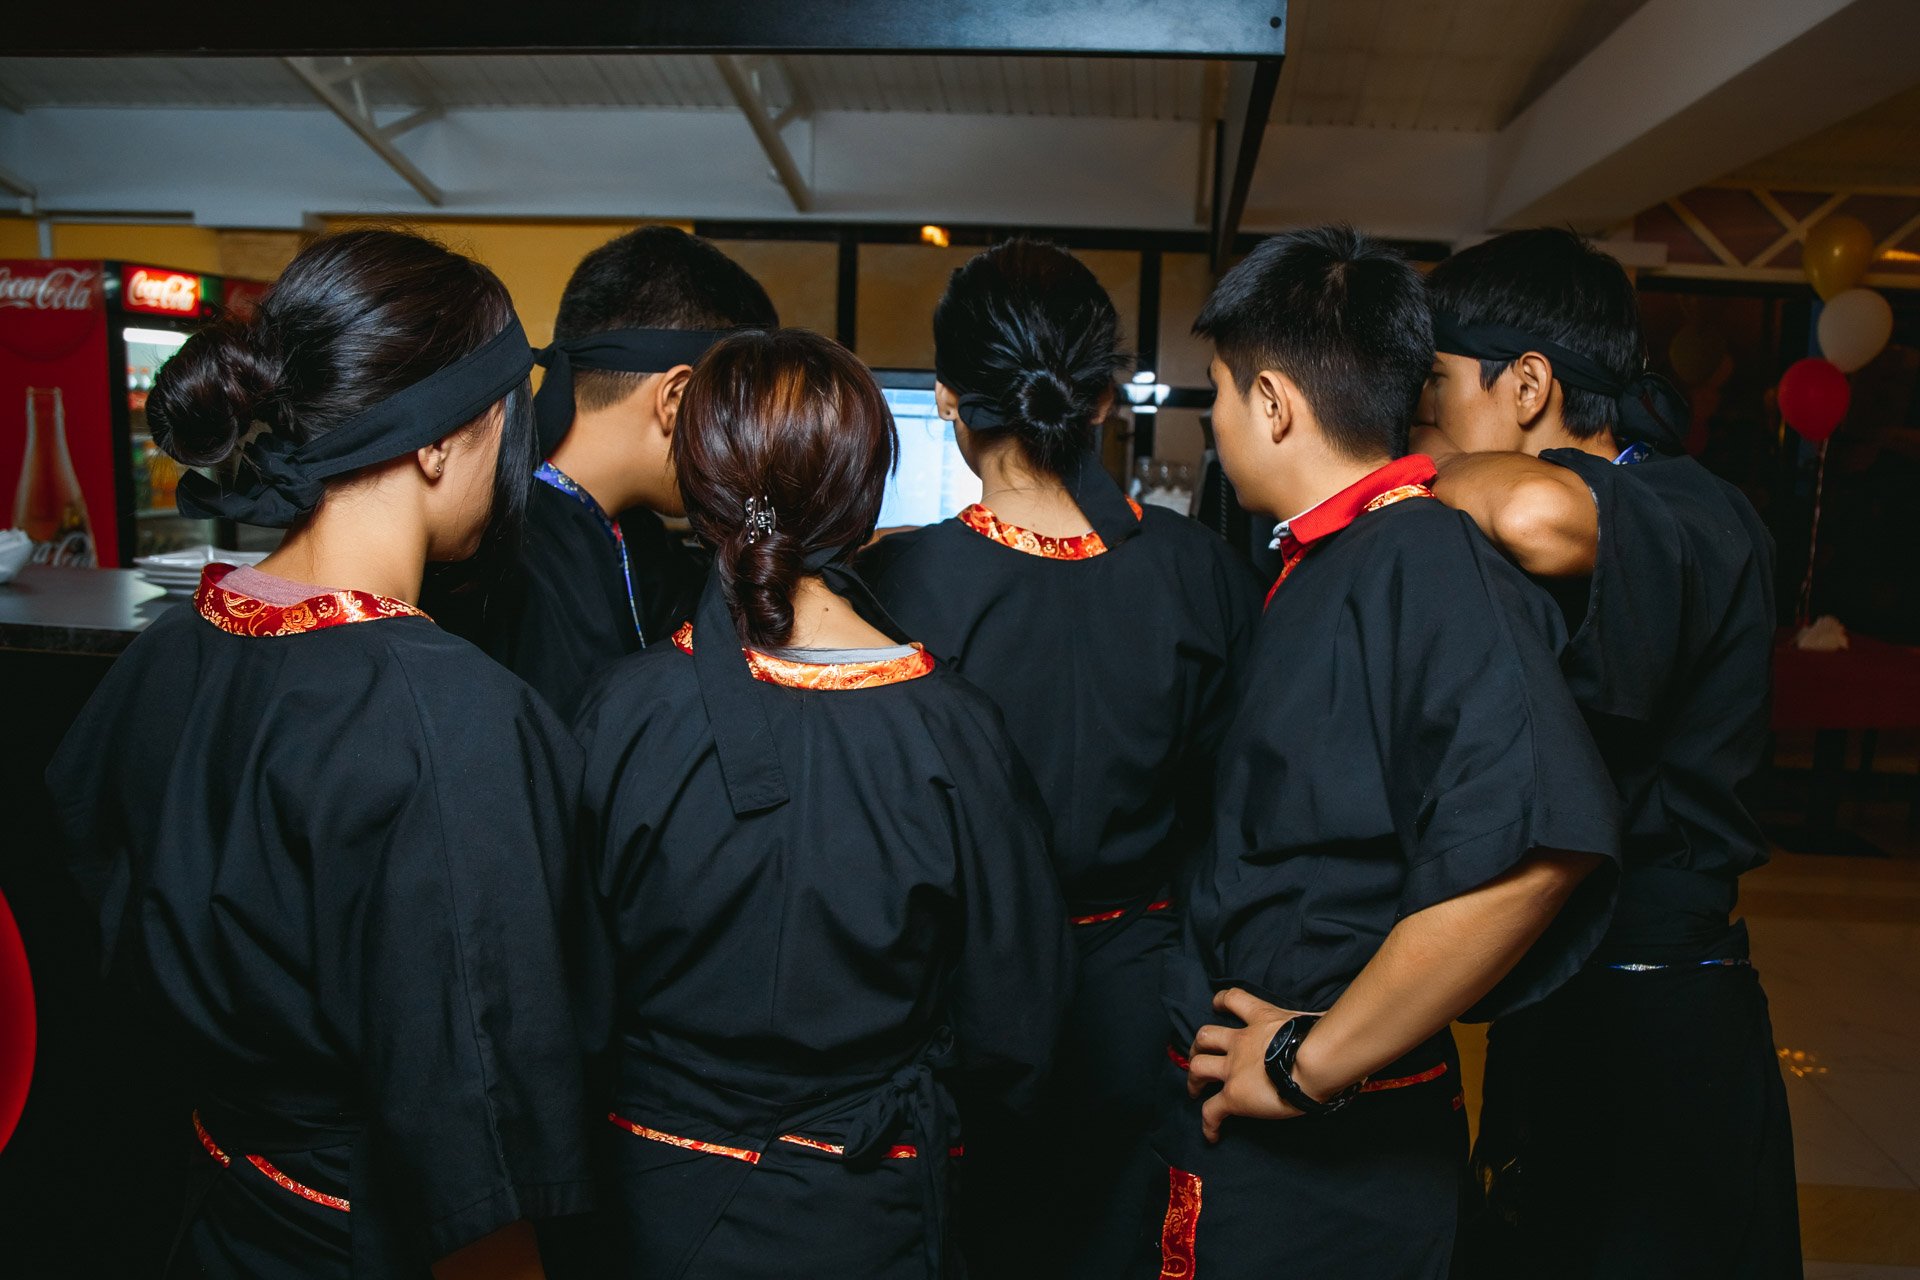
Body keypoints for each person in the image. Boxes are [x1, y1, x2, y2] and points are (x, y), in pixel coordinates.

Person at [45, 229, 596, 1277]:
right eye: (504, 421)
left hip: (215, 1209)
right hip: (358, 1240)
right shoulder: (451, 718)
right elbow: (474, 1131)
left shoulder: (171, 647)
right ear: (440, 441)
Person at [1157, 226, 1621, 1279]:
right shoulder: (1336, 552)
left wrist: (1310, 1059)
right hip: (1263, 1132)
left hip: (1337, 1159)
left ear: (1272, 403)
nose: (1217, 424)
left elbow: (1540, 842)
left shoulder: (1422, 555)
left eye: (1218, 394)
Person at [574, 327, 1075, 1278]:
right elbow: (1020, 1027)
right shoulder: (954, 734)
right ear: (865, 491)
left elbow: (572, 996)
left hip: (657, 1193)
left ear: (699, 480)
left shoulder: (621, 713)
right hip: (867, 1201)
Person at [860, 239, 1258, 1277]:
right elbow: (1235, 808)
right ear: (1102, 401)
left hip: (960, 1007)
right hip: (1146, 998)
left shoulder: (895, 584)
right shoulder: (1203, 572)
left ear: (949, 400)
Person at [1417, 227, 1799, 1278]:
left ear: (1528, 383)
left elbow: (1534, 510)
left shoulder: (1691, 506)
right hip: (1564, 990)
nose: (1427, 415)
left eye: (1438, 385)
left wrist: (1410, 471)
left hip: (1661, 1006)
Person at [434, 226, 778, 717]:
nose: (744, 444)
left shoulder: (636, 533)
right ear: (676, 398)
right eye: (738, 413)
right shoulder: (496, 551)